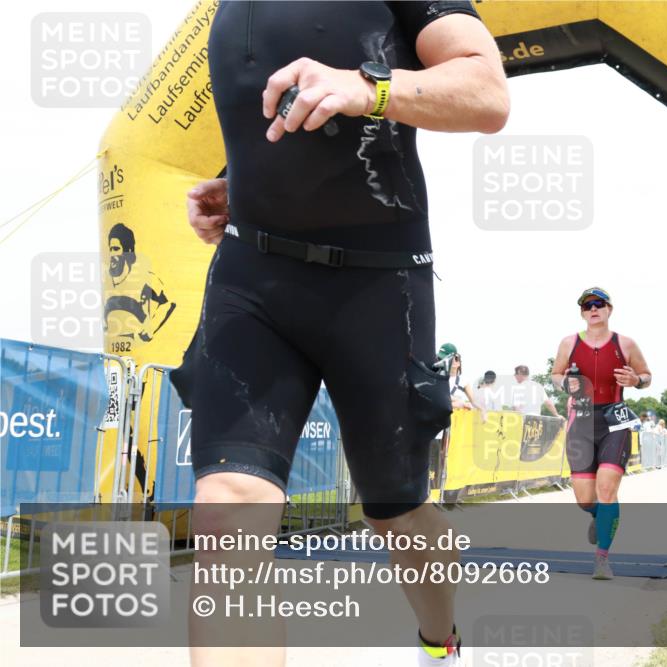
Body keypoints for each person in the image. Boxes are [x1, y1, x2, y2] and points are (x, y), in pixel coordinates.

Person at [181, 2, 509, 665]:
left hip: (378, 287)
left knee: (397, 512)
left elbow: (487, 93)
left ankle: (440, 641)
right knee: (228, 507)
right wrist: (238, 180)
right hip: (253, 277)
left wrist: (369, 87)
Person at [551, 287, 652, 580]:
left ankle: (602, 559)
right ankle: (599, 516)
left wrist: (636, 380)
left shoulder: (626, 343)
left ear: (609, 309)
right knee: (585, 498)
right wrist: (563, 385)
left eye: (599, 304)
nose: (593, 309)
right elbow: (556, 374)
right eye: (587, 306)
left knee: (607, 489)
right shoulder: (568, 342)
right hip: (581, 421)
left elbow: (646, 375)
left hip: (615, 419)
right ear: (582, 313)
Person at [440, 344, 487, 422]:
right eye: (441, 359)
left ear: (457, 362)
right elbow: (438, 398)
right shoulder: (437, 376)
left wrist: (483, 410)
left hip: (455, 423)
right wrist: (459, 402)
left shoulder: (463, 381)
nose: (442, 361)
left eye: (445, 359)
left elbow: (474, 400)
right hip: (438, 421)